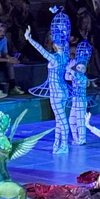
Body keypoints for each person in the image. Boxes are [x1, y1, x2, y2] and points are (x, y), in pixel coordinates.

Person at [24, 20, 70, 153]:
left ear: (55, 45)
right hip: (64, 90)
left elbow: (41, 50)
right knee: (60, 119)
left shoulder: (54, 58)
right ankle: (57, 144)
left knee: (61, 120)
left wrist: (29, 39)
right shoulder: (65, 56)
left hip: (56, 92)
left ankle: (64, 145)